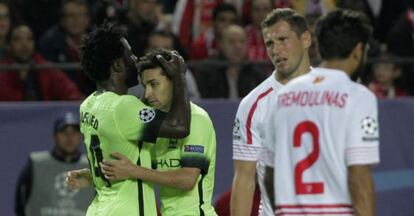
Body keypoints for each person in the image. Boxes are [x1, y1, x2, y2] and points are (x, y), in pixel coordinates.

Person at [69, 49, 217, 216]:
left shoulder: (197, 119)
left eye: (154, 84)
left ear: (173, 81)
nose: (147, 93)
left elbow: (188, 179)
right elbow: (145, 165)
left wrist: (134, 171)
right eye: (145, 86)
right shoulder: (157, 127)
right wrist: (93, 176)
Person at [263, 9, 379, 216]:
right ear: (358, 50)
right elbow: (358, 175)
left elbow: (270, 174)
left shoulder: (283, 97)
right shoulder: (358, 96)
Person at [231, 8, 312, 216]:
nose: (276, 50)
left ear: (305, 39)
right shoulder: (253, 105)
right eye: (269, 43)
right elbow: (244, 178)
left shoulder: (334, 93)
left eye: (283, 39)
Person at [15, 112, 94, 216]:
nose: (69, 137)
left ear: (81, 136)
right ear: (54, 136)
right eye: (63, 132)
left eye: (74, 132)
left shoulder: (92, 167)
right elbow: (20, 204)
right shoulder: (37, 163)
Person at [0, 24, 82, 101]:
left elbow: (71, 93)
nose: (24, 44)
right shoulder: (2, 70)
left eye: (29, 39)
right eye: (17, 39)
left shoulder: (45, 68)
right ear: (8, 45)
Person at [38, 0, 94, 95]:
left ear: (88, 19)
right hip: (62, 101)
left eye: (80, 15)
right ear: (63, 21)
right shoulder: (49, 43)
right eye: (70, 16)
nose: (75, 20)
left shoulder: (100, 41)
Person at [197, 24, 267, 99]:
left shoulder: (256, 73)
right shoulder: (207, 71)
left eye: (242, 42)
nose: (237, 46)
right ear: (221, 44)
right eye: (231, 42)